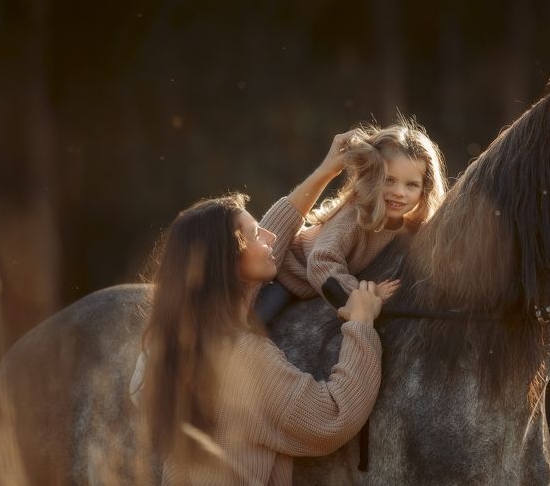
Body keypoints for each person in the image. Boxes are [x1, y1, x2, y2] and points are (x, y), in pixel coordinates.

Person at [133, 132, 384, 485]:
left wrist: (326, 171)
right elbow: (332, 417)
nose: (270, 237)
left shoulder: (178, 345)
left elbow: (265, 250)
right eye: (255, 235)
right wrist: (361, 324)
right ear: (227, 262)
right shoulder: (245, 358)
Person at [256, 117, 447, 323]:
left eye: (411, 185)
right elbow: (321, 262)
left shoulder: (409, 230)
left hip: (319, 289)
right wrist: (363, 296)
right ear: (371, 179)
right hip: (289, 276)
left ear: (425, 189)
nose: (399, 192)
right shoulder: (354, 218)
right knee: (256, 323)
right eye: (388, 180)